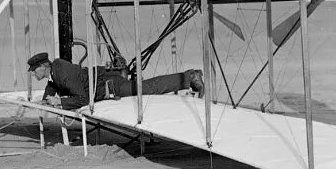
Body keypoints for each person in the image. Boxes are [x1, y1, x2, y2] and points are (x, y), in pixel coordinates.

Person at [26, 52, 204, 110]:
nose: (34, 74)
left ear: (43, 66)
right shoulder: (56, 69)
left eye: (34, 71)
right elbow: (52, 84)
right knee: (148, 87)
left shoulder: (63, 75)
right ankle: (188, 77)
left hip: (111, 85)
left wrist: (60, 102)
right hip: (104, 80)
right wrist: (45, 101)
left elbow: (83, 99)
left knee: (148, 88)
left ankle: (190, 77)